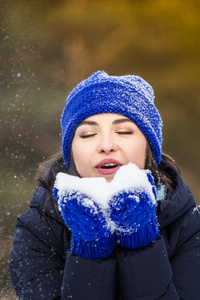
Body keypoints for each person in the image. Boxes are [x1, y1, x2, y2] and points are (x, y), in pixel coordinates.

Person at [9, 71, 200, 300]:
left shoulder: (191, 226)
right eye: (88, 134)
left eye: (124, 131)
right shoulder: (37, 229)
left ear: (149, 147)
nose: (106, 145)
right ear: (71, 151)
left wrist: (140, 242)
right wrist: (90, 249)